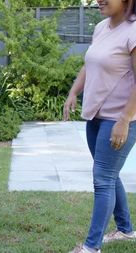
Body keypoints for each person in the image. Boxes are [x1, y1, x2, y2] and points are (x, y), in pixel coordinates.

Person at [64, 0, 136, 252]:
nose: (99, 0)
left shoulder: (134, 31)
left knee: (102, 179)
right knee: (108, 173)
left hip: (119, 118)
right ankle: (126, 230)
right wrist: (74, 91)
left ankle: (91, 247)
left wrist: (125, 120)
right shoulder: (101, 27)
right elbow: (89, 64)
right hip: (95, 115)